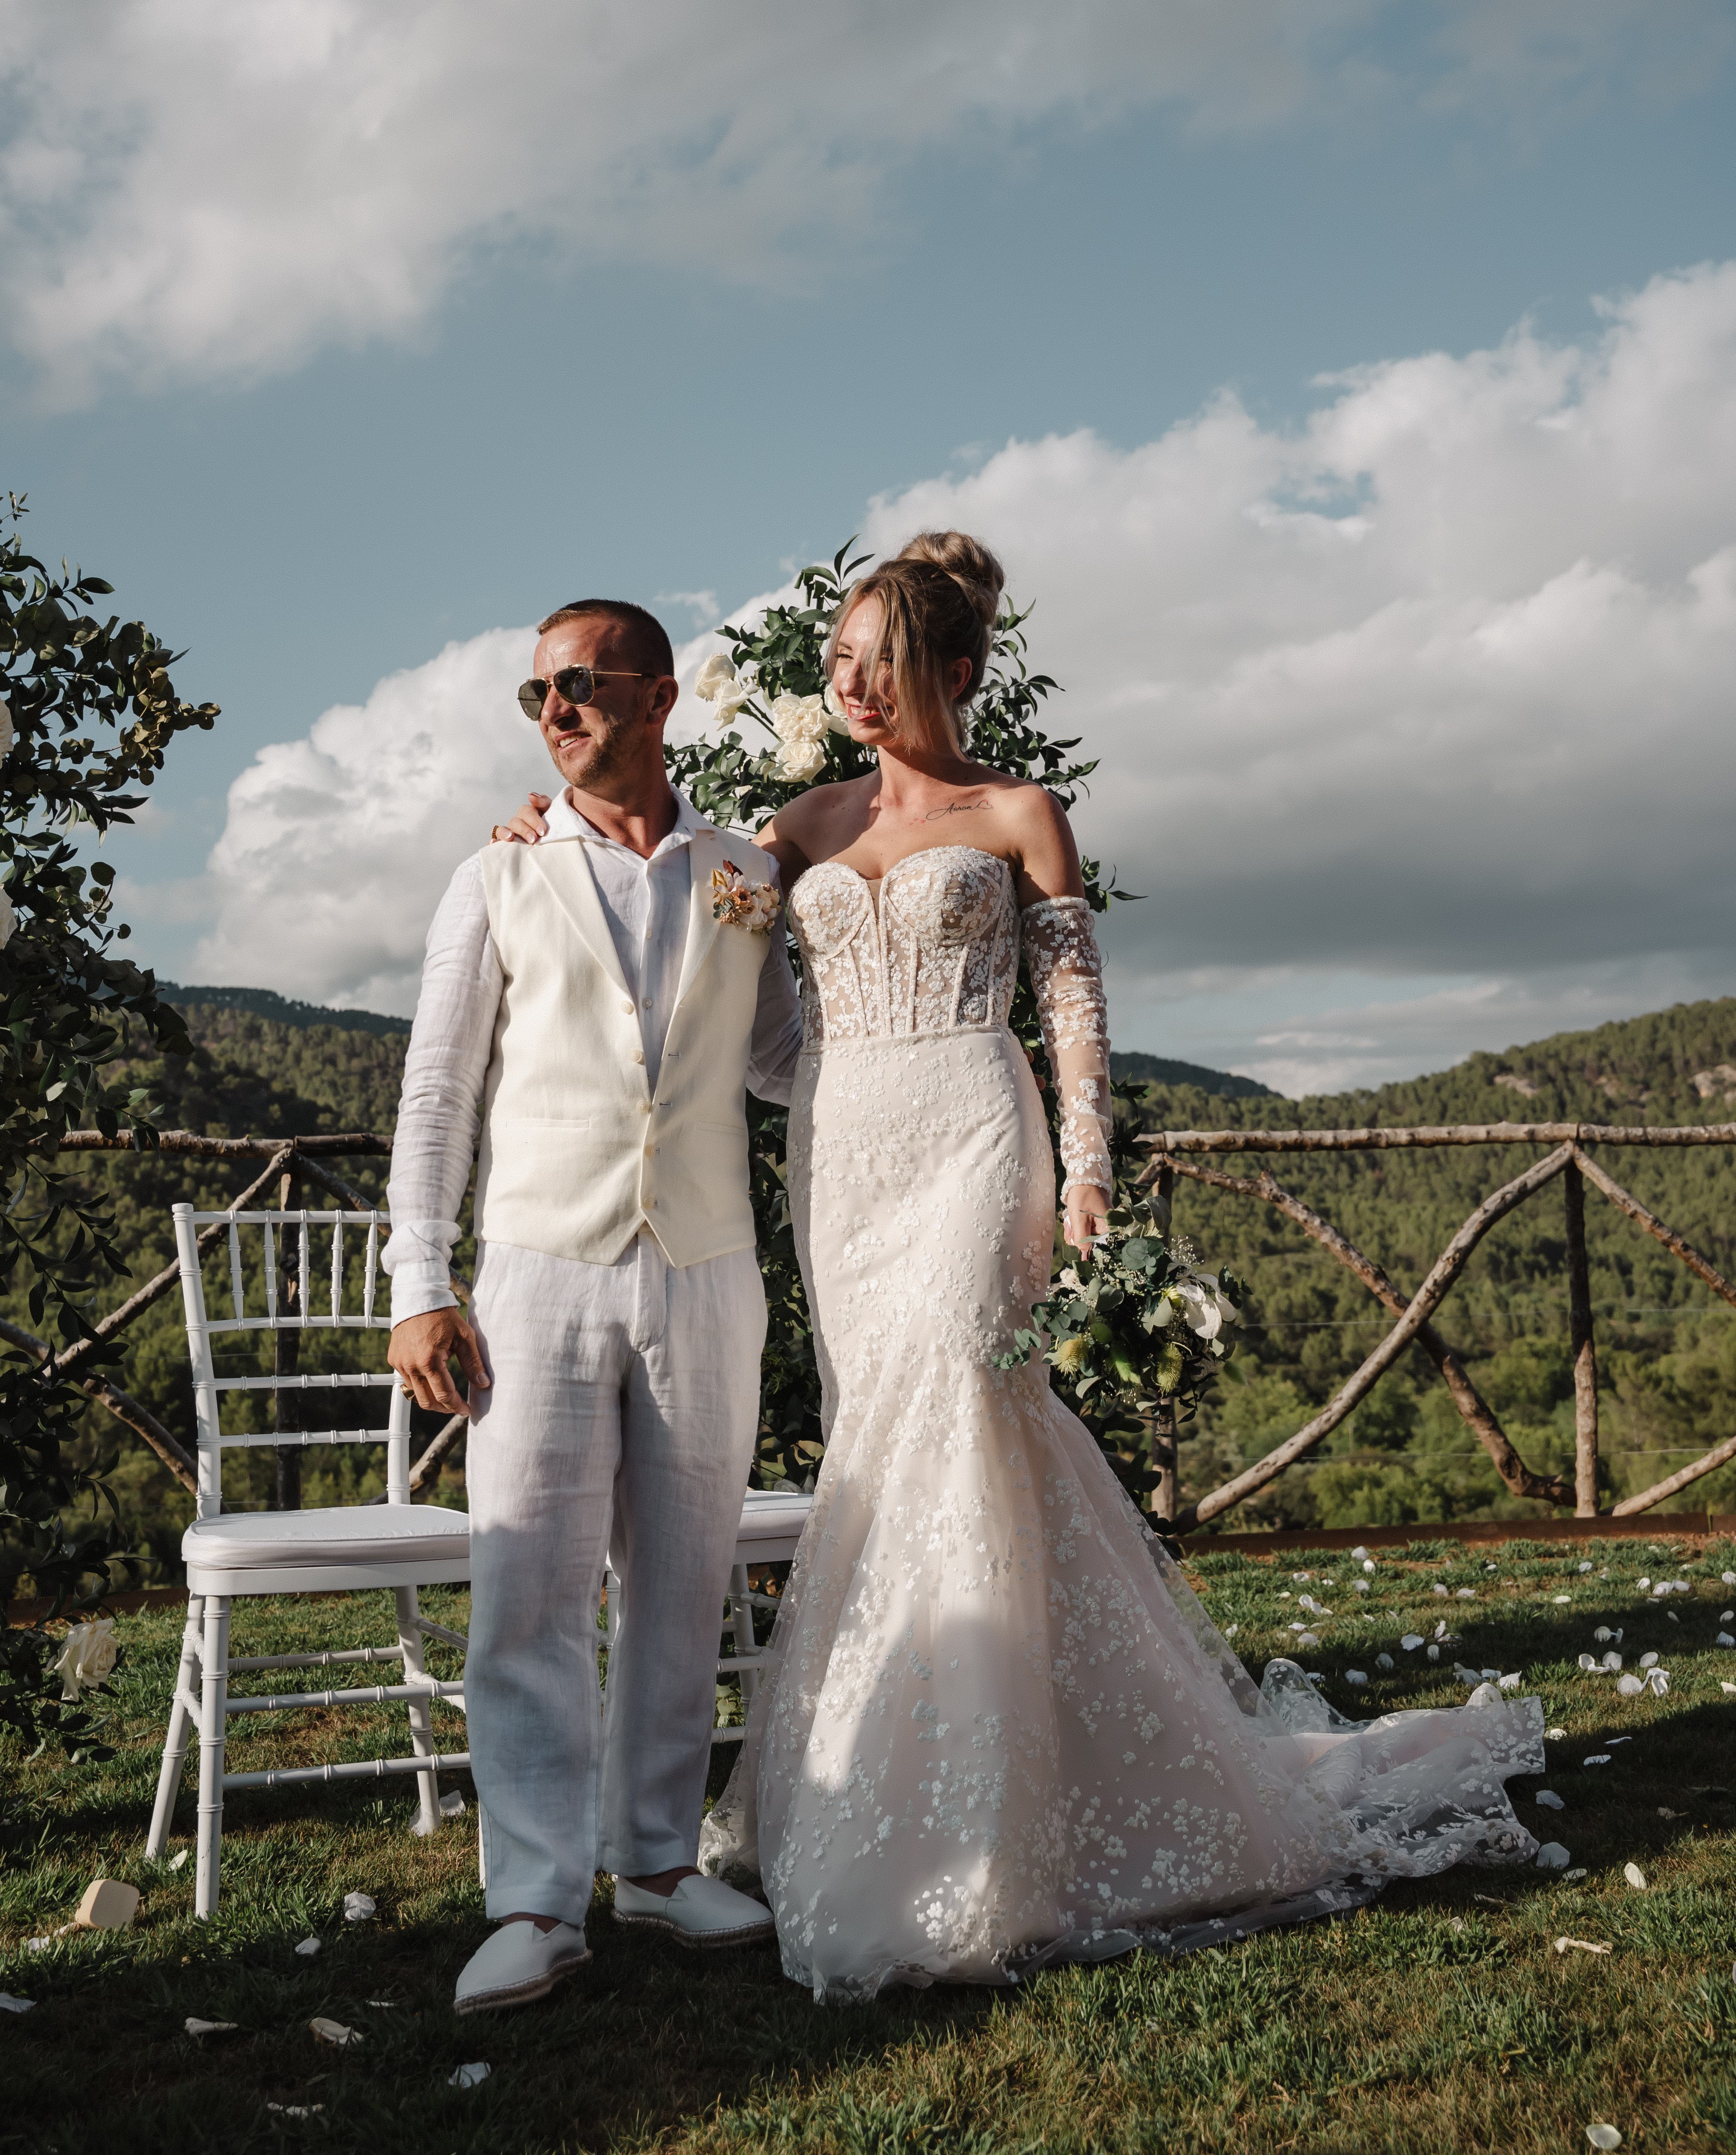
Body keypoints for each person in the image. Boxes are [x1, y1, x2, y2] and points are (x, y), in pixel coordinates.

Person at [502, 536, 1544, 2005]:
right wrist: (538, 832)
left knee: (954, 1397)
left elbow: (1072, 1006)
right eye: (840, 659)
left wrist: (1090, 1164)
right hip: (844, 1153)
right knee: (896, 1440)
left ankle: (974, 1833)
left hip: (978, 1136)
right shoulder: (790, 830)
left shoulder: (1018, 816)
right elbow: (682, 921)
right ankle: (920, 1777)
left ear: (957, 670)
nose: (852, 683)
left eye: (883, 659)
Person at [384, 598, 802, 2017]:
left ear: (659, 696)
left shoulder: (746, 873)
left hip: (707, 1266)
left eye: (579, 684)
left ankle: (659, 1865)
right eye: (536, 692)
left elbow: (791, 1062)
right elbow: (438, 1090)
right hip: (539, 1268)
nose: (553, 710)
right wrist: (417, 1284)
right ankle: (534, 1898)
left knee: (686, 1578)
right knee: (530, 1585)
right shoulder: (492, 876)